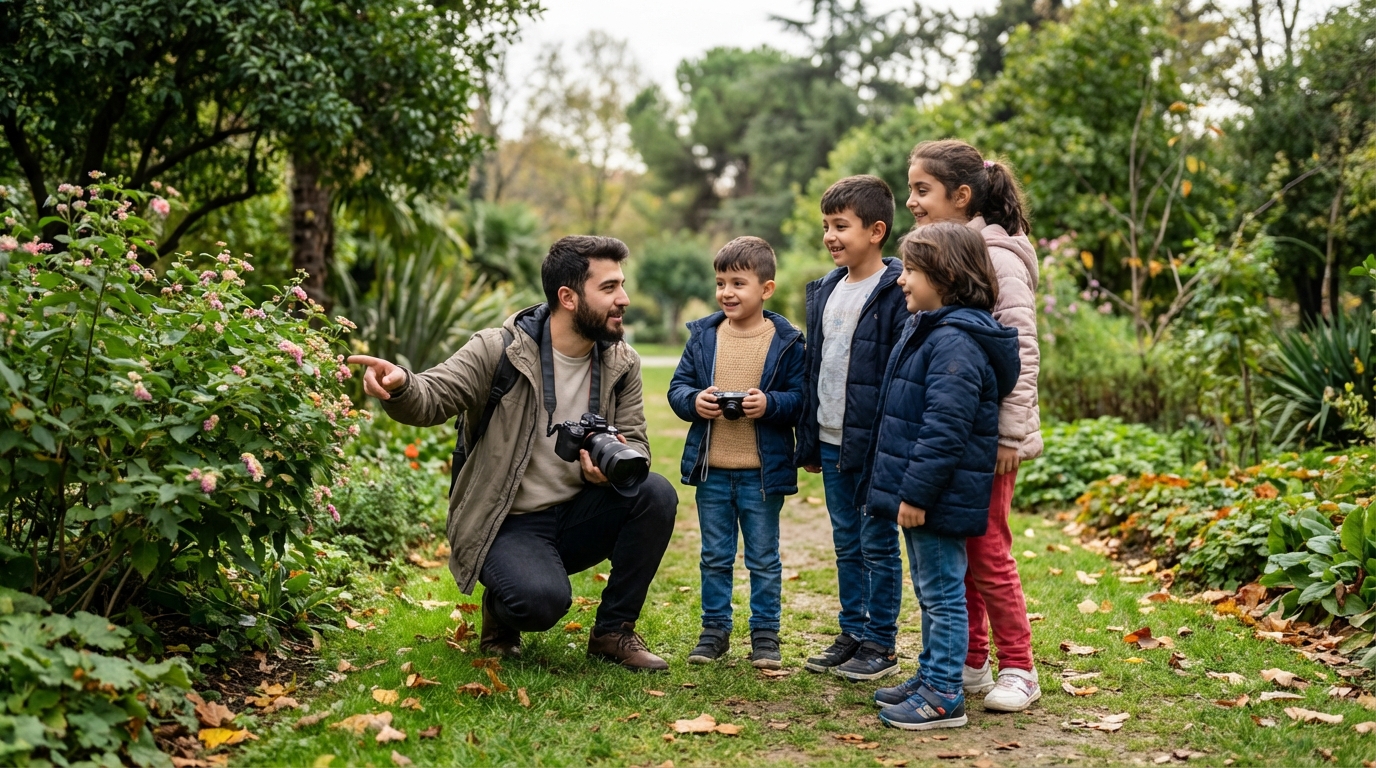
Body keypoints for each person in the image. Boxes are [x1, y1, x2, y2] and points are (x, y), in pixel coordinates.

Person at [348, 235, 679, 672]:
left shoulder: (621, 362)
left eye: (622, 285)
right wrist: (401, 385)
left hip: (577, 511)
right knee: (541, 603)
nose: (625, 298)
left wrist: (612, 467)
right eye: (609, 288)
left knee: (655, 494)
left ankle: (612, 633)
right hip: (506, 521)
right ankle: (502, 611)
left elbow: (636, 444)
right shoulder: (499, 349)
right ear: (568, 297)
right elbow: (434, 395)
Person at [861, 223, 1020, 730]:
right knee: (932, 590)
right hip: (928, 492)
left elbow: (943, 430)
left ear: (945, 275)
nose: (901, 280)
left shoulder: (956, 341)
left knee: (943, 592)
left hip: (936, 495)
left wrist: (915, 492)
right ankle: (933, 674)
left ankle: (944, 694)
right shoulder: (934, 327)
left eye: (911, 270)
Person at [906, 139, 1044, 711]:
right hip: (964, 431)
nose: (911, 200)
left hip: (992, 436)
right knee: (963, 544)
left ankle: (1020, 667)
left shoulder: (999, 257)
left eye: (922, 190)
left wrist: (1012, 432)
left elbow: (1022, 345)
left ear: (961, 197)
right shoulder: (954, 251)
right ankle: (970, 660)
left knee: (988, 548)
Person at [667, 237, 805, 671]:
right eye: (720, 282)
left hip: (761, 473)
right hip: (713, 472)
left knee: (764, 558)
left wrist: (770, 405)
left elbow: (800, 398)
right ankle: (714, 631)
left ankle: (765, 634)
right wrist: (695, 402)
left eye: (738, 283)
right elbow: (678, 388)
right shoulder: (705, 336)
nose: (727, 292)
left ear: (766, 289)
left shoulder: (785, 341)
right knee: (714, 556)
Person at [794, 175, 910, 682]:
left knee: (877, 542)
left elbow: (901, 371)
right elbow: (816, 365)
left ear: (876, 230)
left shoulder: (896, 289)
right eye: (826, 226)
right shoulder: (826, 289)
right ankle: (852, 630)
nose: (830, 236)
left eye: (841, 226)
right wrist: (811, 437)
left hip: (875, 443)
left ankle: (880, 643)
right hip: (830, 436)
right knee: (845, 541)